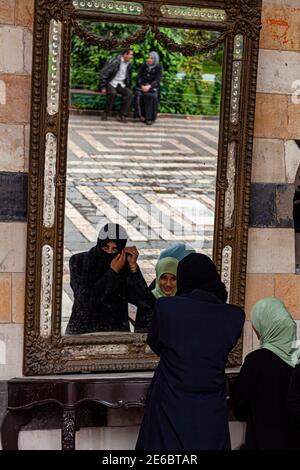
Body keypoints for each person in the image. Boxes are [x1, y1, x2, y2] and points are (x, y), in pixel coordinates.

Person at [135, 253, 245, 450]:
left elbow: (155, 342)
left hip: (170, 401)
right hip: (211, 406)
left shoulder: (166, 308)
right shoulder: (234, 316)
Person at [230, 297, 300, 450]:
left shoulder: (256, 362)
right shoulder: (297, 358)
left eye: (258, 328)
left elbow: (239, 410)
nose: (257, 334)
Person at [65, 223, 151, 334]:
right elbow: (87, 301)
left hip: (115, 333)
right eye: (106, 248)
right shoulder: (79, 261)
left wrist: (133, 268)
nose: (110, 252)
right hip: (82, 332)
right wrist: (113, 273)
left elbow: (144, 301)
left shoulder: (124, 265)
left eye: (114, 250)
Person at [135, 256, 178, 332]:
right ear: (158, 277)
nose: (168, 284)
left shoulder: (183, 302)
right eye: (164, 278)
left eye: (173, 279)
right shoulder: (147, 302)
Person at [100, 49, 134, 122]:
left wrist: (129, 86)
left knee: (129, 94)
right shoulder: (114, 61)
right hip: (111, 82)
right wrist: (103, 86)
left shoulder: (129, 64)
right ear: (125, 54)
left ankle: (121, 115)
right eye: (130, 54)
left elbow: (129, 77)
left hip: (121, 83)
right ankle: (105, 113)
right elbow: (104, 73)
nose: (132, 56)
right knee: (113, 93)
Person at [134, 51, 162, 125]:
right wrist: (142, 85)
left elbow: (158, 80)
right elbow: (139, 77)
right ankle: (141, 115)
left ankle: (149, 118)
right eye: (149, 57)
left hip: (152, 87)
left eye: (151, 58)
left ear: (155, 59)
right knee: (138, 94)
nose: (149, 59)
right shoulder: (144, 65)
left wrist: (149, 86)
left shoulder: (158, 67)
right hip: (142, 86)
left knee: (151, 96)